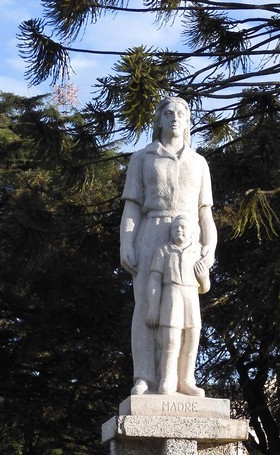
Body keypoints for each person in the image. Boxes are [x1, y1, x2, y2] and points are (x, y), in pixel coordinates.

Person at [120, 96, 217, 395]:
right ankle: (145, 376)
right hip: (151, 230)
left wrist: (210, 248)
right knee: (148, 305)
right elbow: (132, 207)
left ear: (188, 122)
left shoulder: (199, 163)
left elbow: (205, 213)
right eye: (168, 113)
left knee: (187, 312)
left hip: (188, 239)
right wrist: (126, 240)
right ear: (159, 120)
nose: (175, 118)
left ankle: (184, 379)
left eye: (181, 114)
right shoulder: (142, 158)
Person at [147, 215, 210, 395]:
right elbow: (154, 280)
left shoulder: (198, 252)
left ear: (191, 232)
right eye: (176, 228)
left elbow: (204, 288)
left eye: (183, 228)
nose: (179, 231)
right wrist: (153, 307)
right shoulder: (164, 251)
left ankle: (187, 380)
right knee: (171, 340)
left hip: (191, 295)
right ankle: (168, 379)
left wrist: (203, 277)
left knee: (191, 338)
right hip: (171, 294)